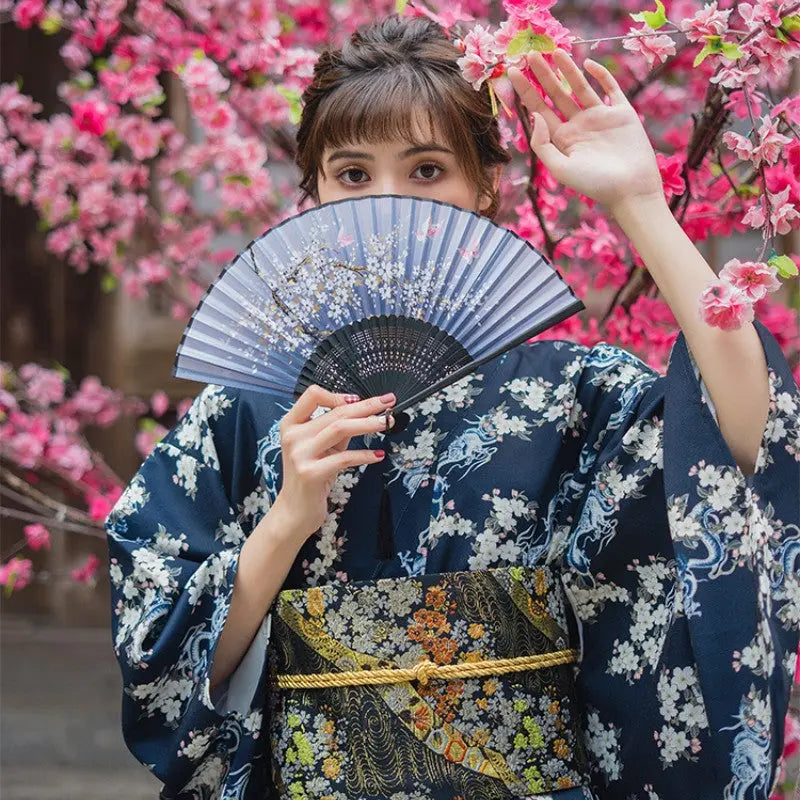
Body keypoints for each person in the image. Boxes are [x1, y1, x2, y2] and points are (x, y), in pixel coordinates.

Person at [105, 13, 800, 800]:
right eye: (353, 174)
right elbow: (165, 667)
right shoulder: (248, 409)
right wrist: (286, 519)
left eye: (428, 169)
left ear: (484, 186)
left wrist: (640, 201)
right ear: (315, 191)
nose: (388, 202)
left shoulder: (571, 392)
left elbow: (750, 442)